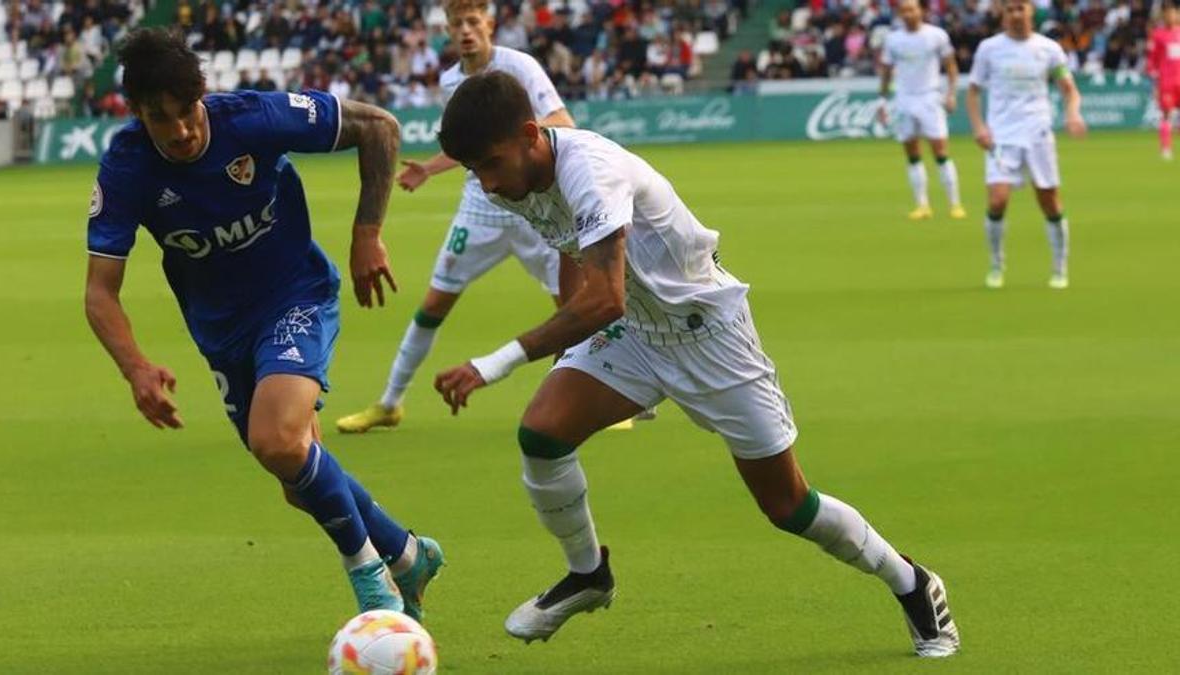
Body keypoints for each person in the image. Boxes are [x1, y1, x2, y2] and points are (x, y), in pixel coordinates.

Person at [431, 71, 961, 658]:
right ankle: (588, 576)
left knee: (789, 506)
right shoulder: (517, 179)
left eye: (489, 164)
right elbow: (585, 267)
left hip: (710, 338)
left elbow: (602, 295)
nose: (485, 182)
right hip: (634, 333)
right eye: (472, 171)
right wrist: (569, 336)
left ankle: (912, 583)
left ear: (532, 134)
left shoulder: (592, 170)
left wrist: (494, 363)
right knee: (542, 433)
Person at [83, 28, 443, 621]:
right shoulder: (127, 168)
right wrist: (136, 368)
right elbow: (100, 292)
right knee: (295, 473)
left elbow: (379, 127)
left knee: (276, 440)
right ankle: (407, 553)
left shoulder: (252, 118)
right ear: (136, 114)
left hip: (294, 295)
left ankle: (372, 580)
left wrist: (367, 235)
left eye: (186, 112)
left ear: (203, 95)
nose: (178, 131)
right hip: (222, 332)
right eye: (158, 118)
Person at [334, 0, 572, 433]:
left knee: (571, 306)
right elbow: (470, 144)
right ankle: (389, 402)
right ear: (447, 30)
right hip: (481, 208)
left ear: (490, 26)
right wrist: (427, 168)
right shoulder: (450, 80)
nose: (465, 30)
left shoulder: (520, 66)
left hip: (531, 210)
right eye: (457, 23)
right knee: (433, 304)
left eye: (473, 22)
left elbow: (561, 120)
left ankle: (585, 397)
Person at [967, 0, 1086, 290]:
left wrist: (1073, 114)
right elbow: (972, 93)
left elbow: (1069, 91)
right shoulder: (989, 49)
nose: (1016, 14)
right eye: (1010, 9)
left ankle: (1059, 266)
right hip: (1002, 137)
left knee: (1049, 201)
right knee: (997, 200)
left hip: (1038, 134)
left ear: (1031, 12)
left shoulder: (1048, 49)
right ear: (1003, 15)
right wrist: (980, 127)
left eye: (1021, 8)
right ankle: (996, 264)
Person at [877, 0, 965, 220]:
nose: (908, 14)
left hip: (930, 98)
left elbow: (951, 66)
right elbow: (886, 72)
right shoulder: (893, 39)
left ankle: (955, 203)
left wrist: (951, 93)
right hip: (904, 99)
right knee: (912, 154)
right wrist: (882, 100)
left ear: (921, 11)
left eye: (912, 9)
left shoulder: (936, 35)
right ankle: (922, 205)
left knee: (941, 152)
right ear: (899, 13)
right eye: (904, 10)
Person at [1147, 4, 1180, 160]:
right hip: (1167, 82)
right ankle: (1166, 149)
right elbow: (1152, 61)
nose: (1170, 17)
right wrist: (1155, 83)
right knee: (1166, 115)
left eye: (1173, 14)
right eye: (1167, 15)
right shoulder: (1158, 35)